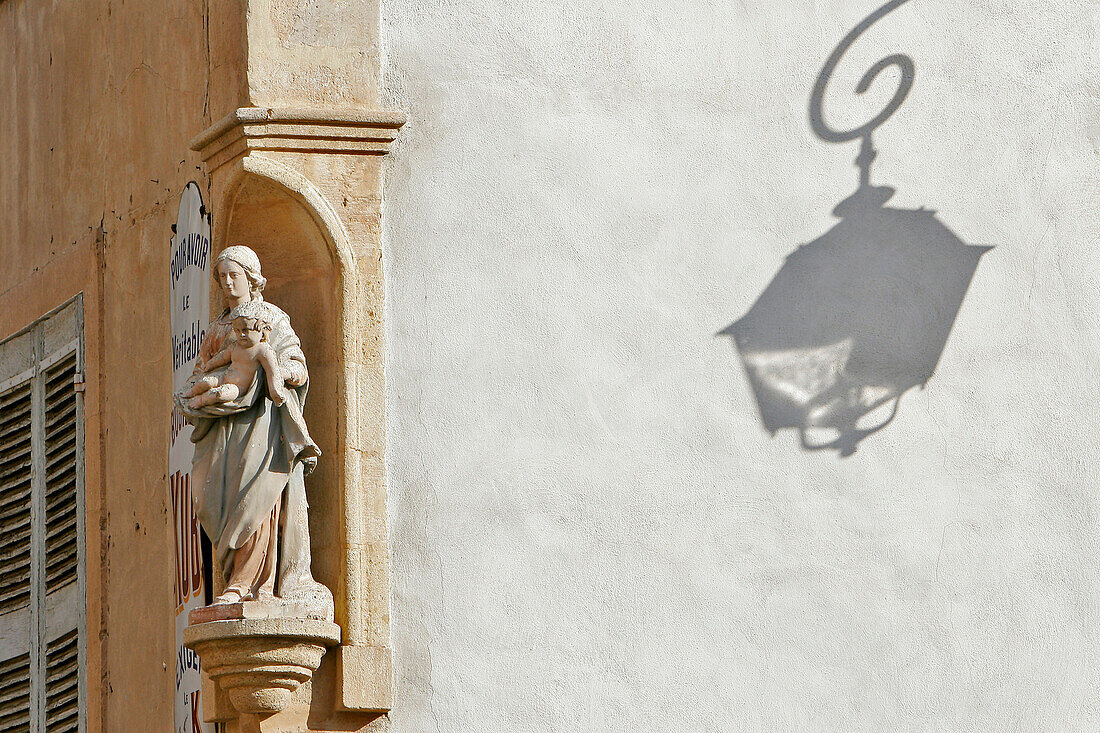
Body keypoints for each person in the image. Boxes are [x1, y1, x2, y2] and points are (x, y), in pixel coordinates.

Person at [179, 245, 331, 612]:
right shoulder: (218, 328)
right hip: (224, 430)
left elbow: (293, 360)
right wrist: (197, 392)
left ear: (252, 278)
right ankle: (235, 578)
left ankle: (252, 584)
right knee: (215, 500)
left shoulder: (272, 318)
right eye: (222, 277)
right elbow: (205, 369)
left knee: (258, 501)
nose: (228, 283)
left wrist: (286, 373)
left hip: (262, 429)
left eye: (235, 275)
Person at [180, 302, 289, 409]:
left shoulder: (263, 350)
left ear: (260, 329)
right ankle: (191, 392)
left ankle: (200, 400)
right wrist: (210, 365)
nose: (241, 334)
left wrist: (276, 393)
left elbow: (272, 373)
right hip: (224, 377)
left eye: (246, 330)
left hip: (238, 387)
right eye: (237, 330)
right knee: (206, 382)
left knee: (220, 394)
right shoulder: (236, 346)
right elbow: (222, 358)